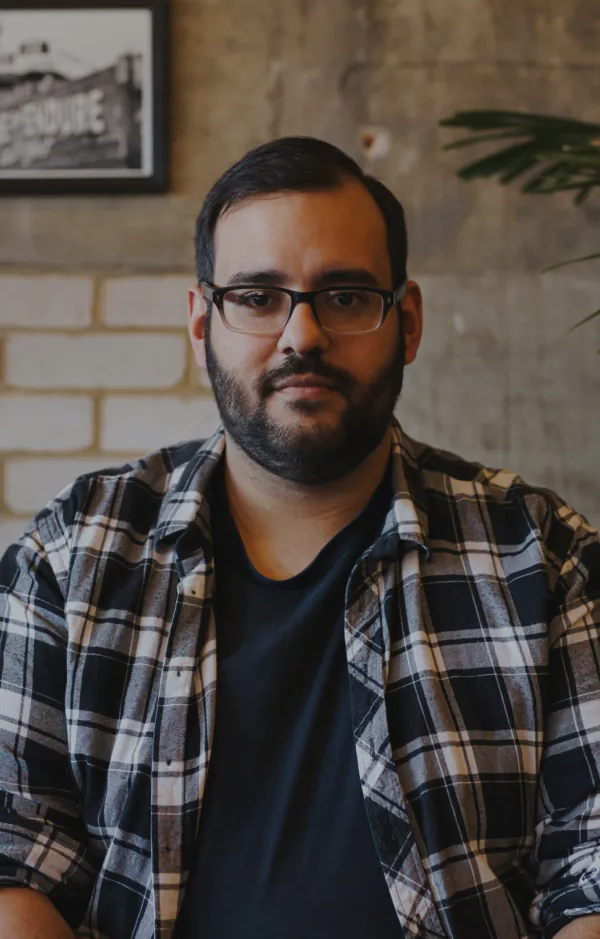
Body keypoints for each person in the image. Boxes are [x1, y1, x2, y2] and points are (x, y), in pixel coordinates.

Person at [0, 137, 599, 939]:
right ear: (201, 322)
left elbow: (591, 864)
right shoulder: (74, 554)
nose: (302, 335)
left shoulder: (542, 555)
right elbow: (15, 851)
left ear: (407, 322)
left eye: (346, 296)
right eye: (257, 296)